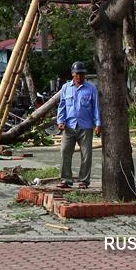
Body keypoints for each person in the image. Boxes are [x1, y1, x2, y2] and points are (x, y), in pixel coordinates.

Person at [56, 61, 101, 189]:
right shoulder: (65, 88)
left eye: (82, 74)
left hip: (85, 127)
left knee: (86, 155)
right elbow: (62, 105)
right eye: (78, 74)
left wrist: (98, 124)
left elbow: (96, 107)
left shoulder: (91, 88)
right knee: (65, 151)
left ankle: (84, 181)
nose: (80, 76)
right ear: (72, 74)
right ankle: (66, 180)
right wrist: (60, 121)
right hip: (69, 127)